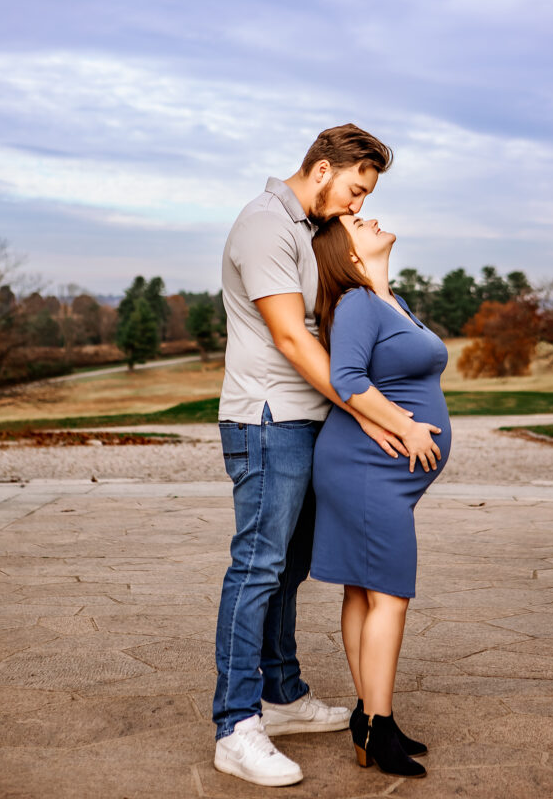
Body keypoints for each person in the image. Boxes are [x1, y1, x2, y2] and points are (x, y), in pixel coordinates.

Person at [213, 124, 438, 788]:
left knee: (289, 570)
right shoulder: (264, 224)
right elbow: (288, 335)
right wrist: (378, 412)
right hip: (267, 421)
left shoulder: (306, 232)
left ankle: (280, 697)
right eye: (353, 188)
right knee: (256, 567)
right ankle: (234, 725)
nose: (354, 205)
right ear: (320, 169)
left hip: (305, 422)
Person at [310, 213, 452, 779]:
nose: (368, 216)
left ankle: (374, 720)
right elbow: (346, 378)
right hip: (365, 468)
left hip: (377, 471)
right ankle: (375, 723)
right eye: (355, 220)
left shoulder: (389, 301)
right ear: (345, 253)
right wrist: (409, 428)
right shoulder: (356, 303)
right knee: (389, 594)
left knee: (365, 590)